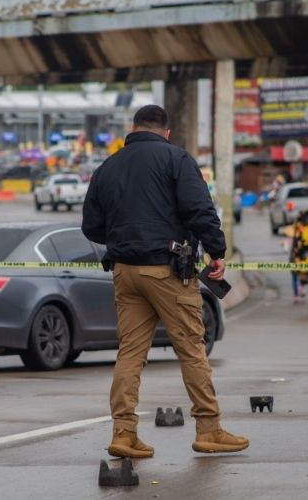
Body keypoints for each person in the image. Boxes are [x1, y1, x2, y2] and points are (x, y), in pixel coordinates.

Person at [82, 104, 249, 458]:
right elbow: (199, 209)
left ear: (134, 128)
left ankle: (123, 435)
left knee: (130, 354)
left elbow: (91, 226)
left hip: (125, 271)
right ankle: (209, 429)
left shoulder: (108, 166)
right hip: (167, 269)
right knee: (191, 347)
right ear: (167, 131)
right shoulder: (177, 159)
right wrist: (217, 251)